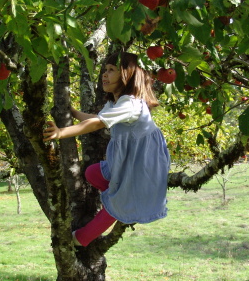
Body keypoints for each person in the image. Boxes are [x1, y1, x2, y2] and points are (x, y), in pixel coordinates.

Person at [43, 52, 171, 247]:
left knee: (116, 202)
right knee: (92, 173)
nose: (104, 74)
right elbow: (98, 118)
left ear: (128, 75)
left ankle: (81, 238)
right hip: (131, 160)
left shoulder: (130, 102)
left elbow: (97, 124)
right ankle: (120, 200)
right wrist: (75, 113)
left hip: (142, 163)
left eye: (111, 70)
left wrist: (61, 133)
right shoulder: (118, 103)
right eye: (104, 70)